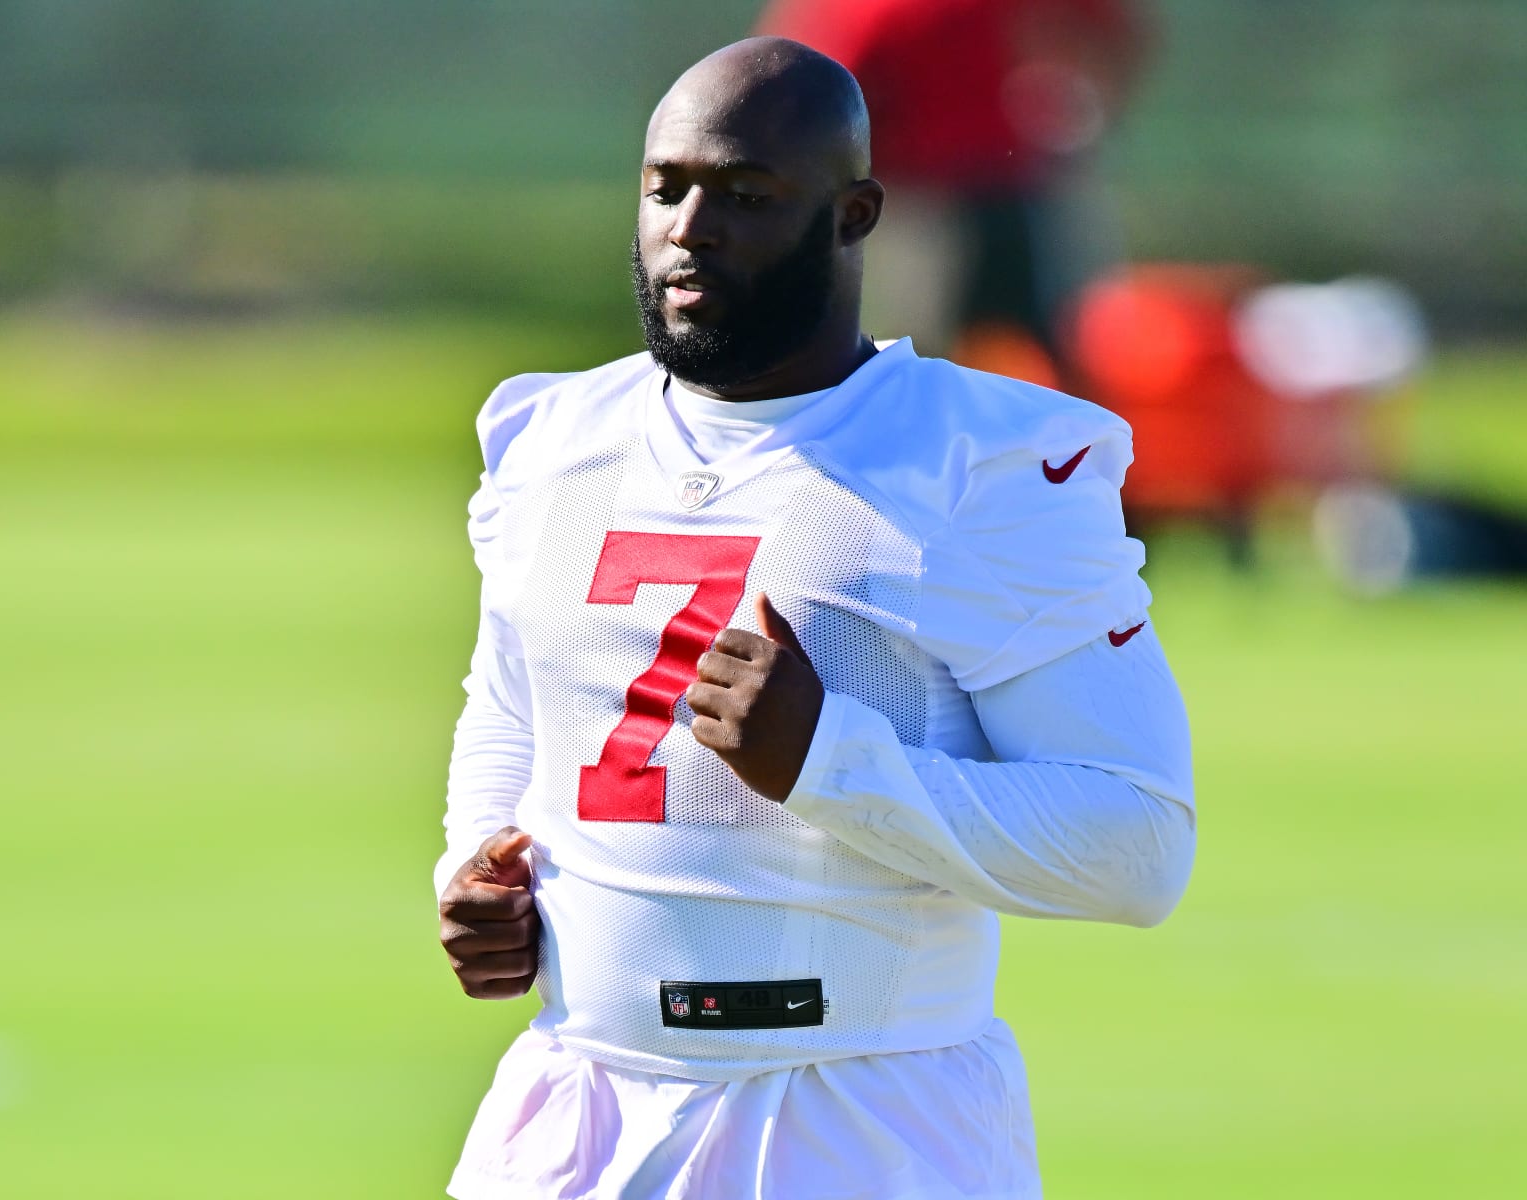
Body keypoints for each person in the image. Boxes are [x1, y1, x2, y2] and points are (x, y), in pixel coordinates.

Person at [435, 37, 1194, 1200]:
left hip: (859, 1119)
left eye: (745, 195)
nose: (691, 227)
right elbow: (511, 700)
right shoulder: (554, 442)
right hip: (575, 1106)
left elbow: (1138, 848)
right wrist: (483, 864)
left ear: (854, 215)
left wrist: (828, 761)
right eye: (666, 187)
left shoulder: (977, 464)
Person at [756, 0, 1152, 389]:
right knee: (933, 353)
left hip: (996, 190)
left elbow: (799, 91)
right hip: (940, 198)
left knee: (942, 355)